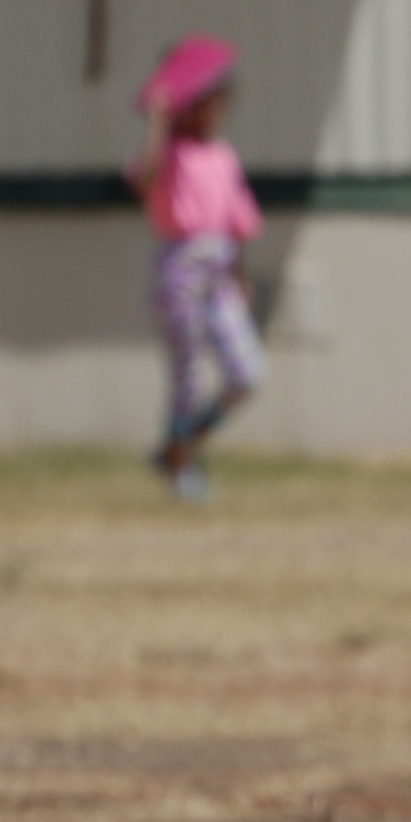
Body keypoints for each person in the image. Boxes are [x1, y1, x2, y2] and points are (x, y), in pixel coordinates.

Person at [126, 34, 265, 505]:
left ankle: (179, 446)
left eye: (219, 104)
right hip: (181, 265)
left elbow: (238, 223)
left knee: (245, 374)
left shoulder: (224, 157)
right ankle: (183, 467)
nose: (212, 114)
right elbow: (143, 180)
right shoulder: (168, 155)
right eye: (203, 104)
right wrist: (157, 125)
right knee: (187, 376)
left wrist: (243, 276)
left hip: (221, 269)